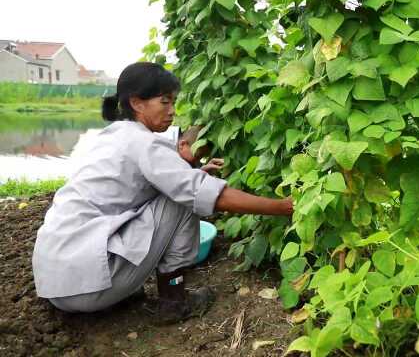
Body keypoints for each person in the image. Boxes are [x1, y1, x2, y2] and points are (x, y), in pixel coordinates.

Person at [32, 62, 293, 324]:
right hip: (88, 288)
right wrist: (283, 207)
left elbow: (176, 153)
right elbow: (200, 192)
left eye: (174, 102)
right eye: (165, 102)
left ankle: (122, 291)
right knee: (183, 199)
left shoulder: (115, 136)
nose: (173, 111)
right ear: (137, 103)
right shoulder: (144, 143)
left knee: (184, 188)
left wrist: (195, 165)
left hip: (57, 284)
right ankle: (174, 302)